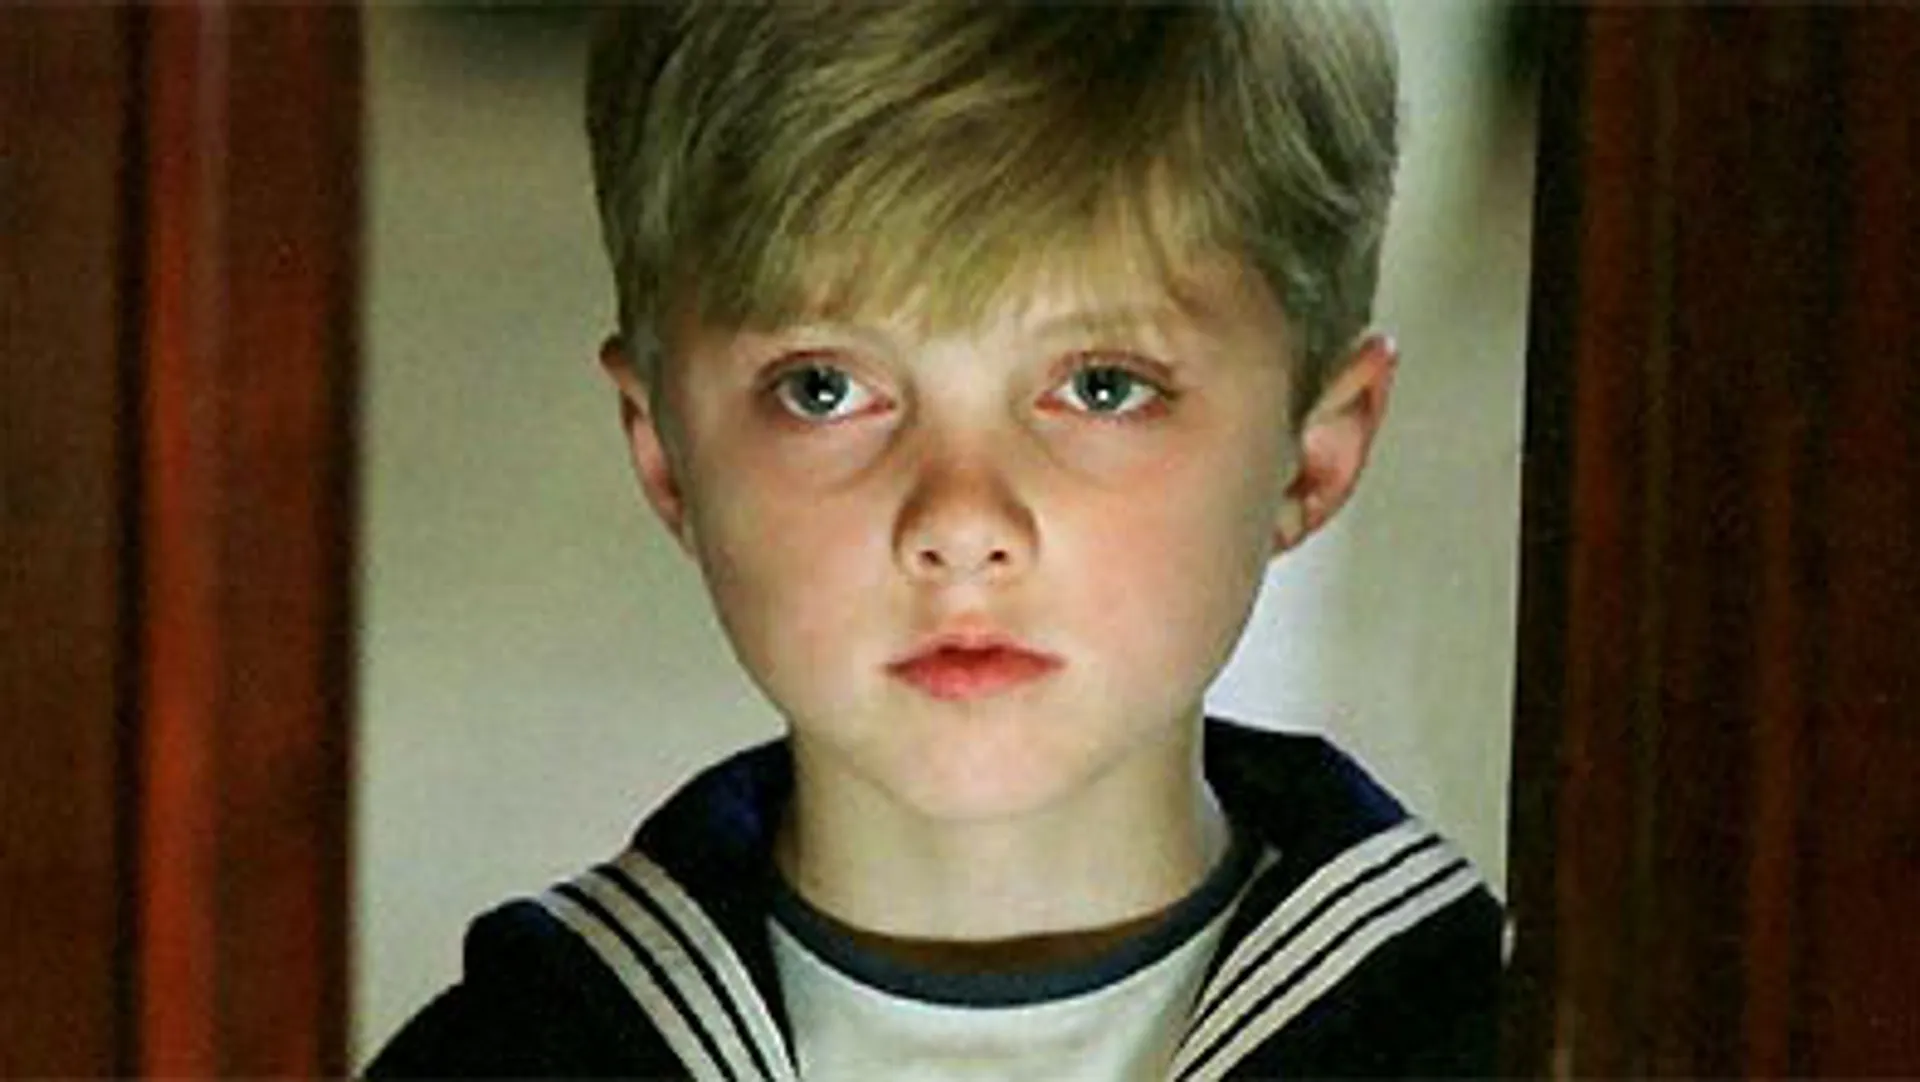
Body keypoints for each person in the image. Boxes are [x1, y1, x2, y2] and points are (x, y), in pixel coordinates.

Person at [368, 2, 1505, 1077]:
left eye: (1102, 386)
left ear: (1314, 450)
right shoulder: (526, 1050)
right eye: (824, 389)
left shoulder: (1498, 1038)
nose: (961, 522)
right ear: (664, 450)